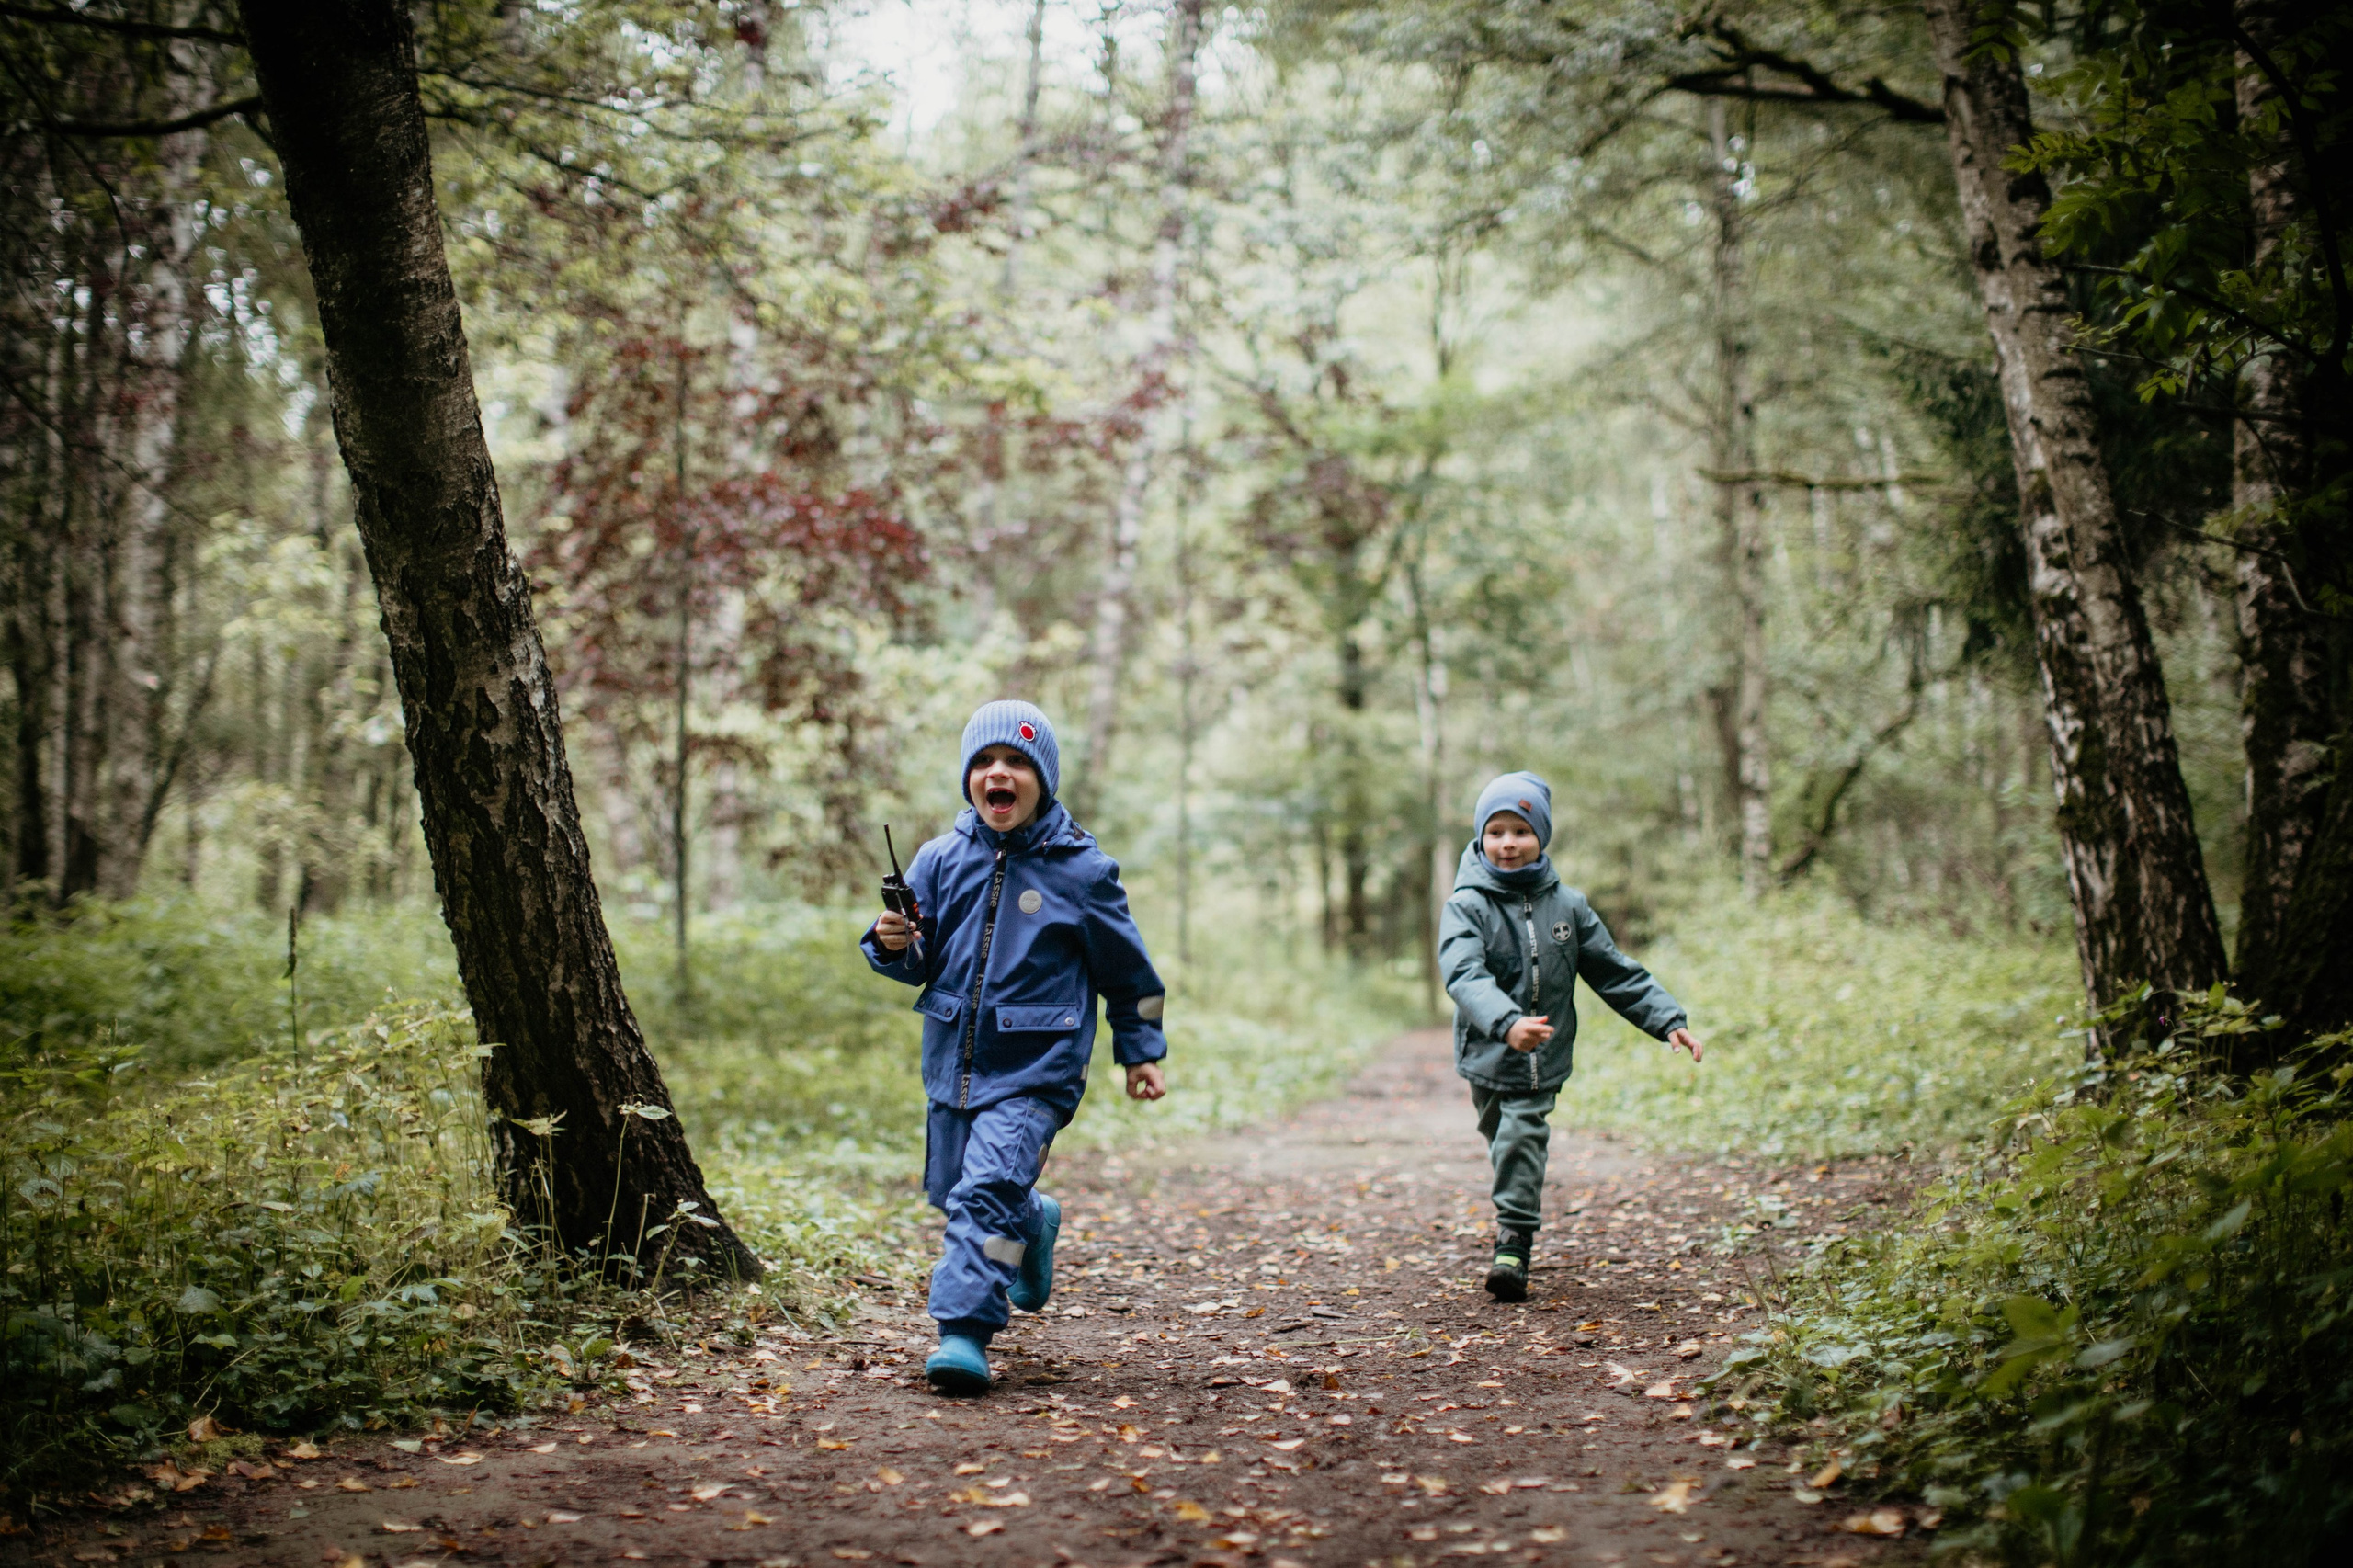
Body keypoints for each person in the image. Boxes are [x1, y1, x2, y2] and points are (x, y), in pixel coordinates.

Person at [864, 699, 1169, 1395]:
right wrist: (890, 943)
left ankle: (964, 1331)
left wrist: (1141, 1049)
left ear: (1044, 779)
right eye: (984, 762)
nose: (998, 773)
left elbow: (1134, 977)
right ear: (969, 778)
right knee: (962, 1196)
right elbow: (917, 955)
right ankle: (1030, 1226)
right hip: (953, 1066)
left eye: (1017, 762)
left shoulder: (1084, 872)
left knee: (986, 1191)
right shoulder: (939, 860)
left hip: (1038, 1070)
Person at [1438, 771, 1703, 1302]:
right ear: (1480, 838)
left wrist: (1666, 1018)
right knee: (1505, 1141)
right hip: (1489, 1052)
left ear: (1541, 836)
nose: (1508, 843)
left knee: (1522, 1133)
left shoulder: (1569, 907)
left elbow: (1613, 970)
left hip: (1543, 1058)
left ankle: (1513, 1243)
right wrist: (1507, 1023)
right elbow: (1465, 974)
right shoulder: (1466, 905)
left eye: (1520, 831)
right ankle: (1516, 1205)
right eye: (1496, 832)